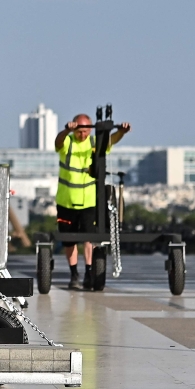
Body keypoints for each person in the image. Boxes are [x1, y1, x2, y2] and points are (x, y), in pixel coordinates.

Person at [54, 114, 131, 290]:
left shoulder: (94, 143)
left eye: (87, 131)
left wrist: (122, 132)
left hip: (88, 200)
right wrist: (67, 130)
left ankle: (89, 271)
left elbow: (110, 141)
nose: (83, 135)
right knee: (69, 240)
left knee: (89, 237)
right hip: (67, 200)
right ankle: (74, 273)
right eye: (80, 131)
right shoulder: (69, 141)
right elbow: (58, 142)